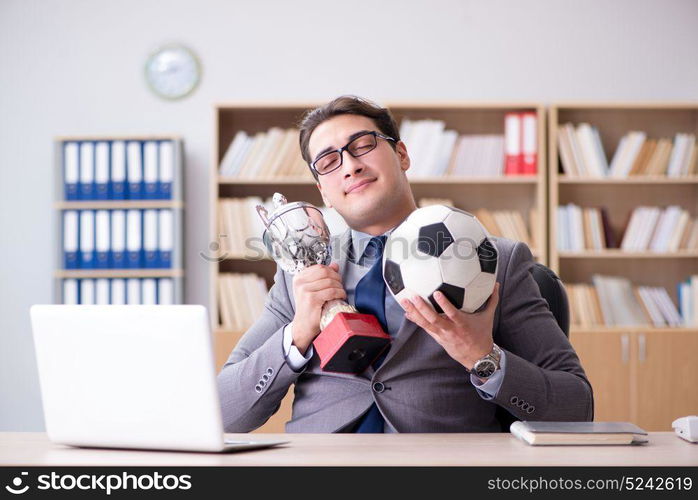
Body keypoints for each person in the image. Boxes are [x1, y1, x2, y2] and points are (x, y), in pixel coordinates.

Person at [217, 95, 593, 433]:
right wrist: (297, 334)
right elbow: (224, 413)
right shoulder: (299, 273)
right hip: (323, 467)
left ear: (402, 155)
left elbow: (577, 409)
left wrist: (482, 356)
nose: (349, 166)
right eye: (329, 161)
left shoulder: (497, 259)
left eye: (362, 145)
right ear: (323, 192)